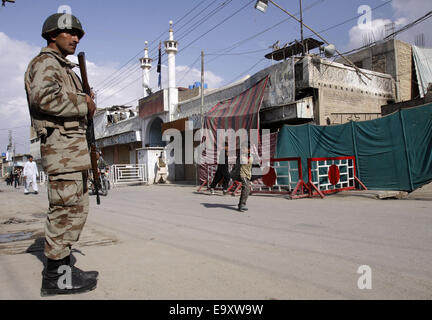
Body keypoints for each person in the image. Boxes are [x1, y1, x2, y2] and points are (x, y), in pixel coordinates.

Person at [24, 12, 98, 296]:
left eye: (78, 35)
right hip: (62, 152)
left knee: (75, 212)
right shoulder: (45, 64)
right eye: (71, 33)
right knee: (64, 212)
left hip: (73, 152)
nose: (76, 39)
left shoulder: (64, 68)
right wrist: (84, 103)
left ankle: (65, 269)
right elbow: (43, 99)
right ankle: (55, 278)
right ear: (52, 35)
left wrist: (88, 104)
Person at [237, 144, 253, 212]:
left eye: (244, 148)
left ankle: (241, 204)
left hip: (248, 175)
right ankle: (242, 205)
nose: (243, 150)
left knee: (247, 190)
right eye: (242, 148)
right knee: (245, 187)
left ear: (248, 149)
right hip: (242, 174)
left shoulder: (251, 156)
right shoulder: (241, 156)